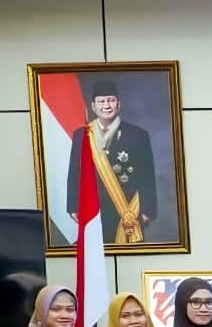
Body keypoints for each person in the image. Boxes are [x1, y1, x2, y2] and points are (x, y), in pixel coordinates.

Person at [65, 80, 159, 245]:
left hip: (127, 211)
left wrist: (147, 211)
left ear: (119, 104)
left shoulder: (138, 135)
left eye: (111, 100)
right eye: (101, 101)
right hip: (93, 211)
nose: (106, 105)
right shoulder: (81, 135)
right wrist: (72, 206)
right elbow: (74, 173)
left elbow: (147, 176)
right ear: (93, 106)